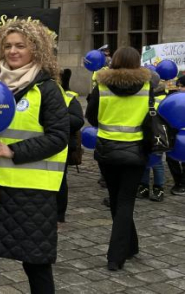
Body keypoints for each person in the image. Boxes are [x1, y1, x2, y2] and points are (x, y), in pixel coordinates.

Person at [0, 20, 68, 293]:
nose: (13, 51)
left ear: (36, 49)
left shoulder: (47, 89)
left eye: (20, 46)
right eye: (8, 45)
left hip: (32, 192)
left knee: (35, 262)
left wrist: (12, 150)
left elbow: (59, 137)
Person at [86, 46, 150, 272]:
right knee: (125, 202)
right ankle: (117, 254)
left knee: (116, 199)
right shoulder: (148, 86)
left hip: (107, 150)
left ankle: (128, 247)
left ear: (113, 61)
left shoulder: (101, 86)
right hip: (136, 151)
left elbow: (90, 116)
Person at [57, 69, 84, 224]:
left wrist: (54, 116)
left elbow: (77, 121)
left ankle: (59, 214)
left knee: (60, 181)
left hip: (63, 145)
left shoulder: (69, 97)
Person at [138, 73, 166, 203]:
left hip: (156, 135)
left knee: (157, 163)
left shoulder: (161, 98)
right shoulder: (142, 96)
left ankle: (158, 188)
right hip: (144, 133)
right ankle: (143, 187)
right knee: (144, 162)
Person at [167, 76, 185, 196]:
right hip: (175, 134)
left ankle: (182, 184)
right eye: (178, 86)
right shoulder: (174, 99)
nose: (179, 88)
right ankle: (178, 182)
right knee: (171, 158)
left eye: (182, 86)